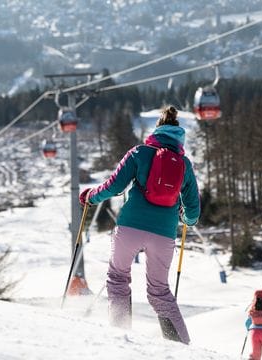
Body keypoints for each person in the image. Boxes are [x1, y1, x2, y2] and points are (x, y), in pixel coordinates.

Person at [79, 105, 200, 345]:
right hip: (164, 235)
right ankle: (183, 348)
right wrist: (185, 219)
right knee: (159, 291)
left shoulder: (139, 153)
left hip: (130, 227)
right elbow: (193, 212)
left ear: (156, 131)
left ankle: (121, 334)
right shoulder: (184, 165)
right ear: (180, 137)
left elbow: (114, 187)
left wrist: (91, 196)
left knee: (117, 279)